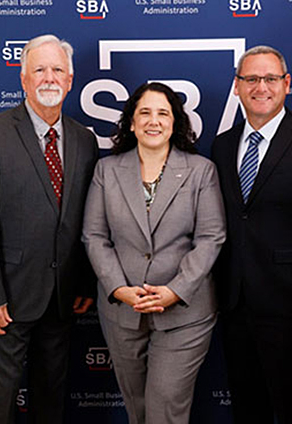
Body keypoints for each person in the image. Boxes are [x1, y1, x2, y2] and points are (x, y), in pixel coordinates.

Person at [0, 34, 98, 424]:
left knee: (51, 401)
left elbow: (87, 219)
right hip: (6, 298)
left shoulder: (84, 140)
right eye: (39, 70)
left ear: (70, 80)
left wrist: (84, 284)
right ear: (23, 79)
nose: (49, 78)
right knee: (0, 404)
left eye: (57, 70)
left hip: (62, 299)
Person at [211, 45, 292, 424]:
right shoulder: (222, 145)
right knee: (246, 407)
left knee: (290, 409)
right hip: (234, 302)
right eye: (251, 79)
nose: (261, 87)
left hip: (290, 305)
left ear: (287, 84)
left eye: (270, 78)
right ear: (237, 87)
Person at [82, 82, 226, 424]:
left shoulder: (200, 171)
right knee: (139, 411)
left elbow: (211, 236)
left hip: (184, 314)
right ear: (131, 122)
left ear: (175, 122)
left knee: (164, 412)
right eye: (144, 112)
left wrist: (175, 290)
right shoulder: (107, 171)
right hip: (122, 312)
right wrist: (118, 289)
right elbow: (94, 236)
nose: (153, 121)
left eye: (163, 113)